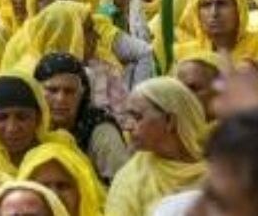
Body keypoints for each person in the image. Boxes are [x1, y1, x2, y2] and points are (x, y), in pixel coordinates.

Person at [106, 78, 209, 216]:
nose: (128, 127)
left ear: (169, 121)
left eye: (137, 117)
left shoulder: (222, 167)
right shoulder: (132, 180)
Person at [32, 53, 129, 184]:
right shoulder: (30, 123)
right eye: (52, 90)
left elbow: (122, 185)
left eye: (69, 91)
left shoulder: (100, 130)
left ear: (82, 94)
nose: (61, 99)